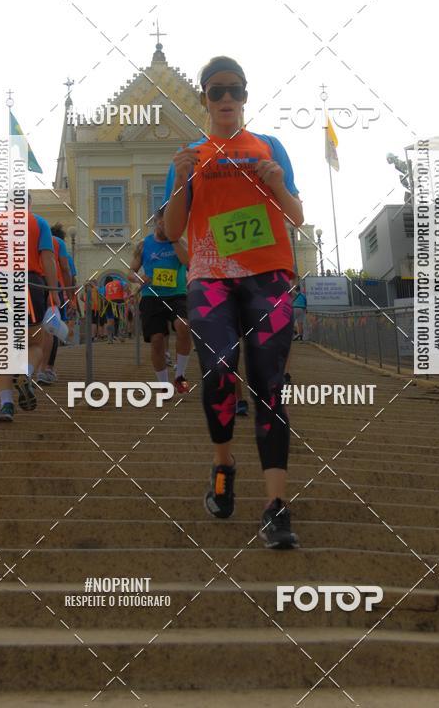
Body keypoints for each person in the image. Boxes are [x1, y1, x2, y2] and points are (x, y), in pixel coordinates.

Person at [164, 55, 303, 549]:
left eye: (236, 91)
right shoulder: (189, 156)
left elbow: (298, 216)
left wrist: (278, 185)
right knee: (220, 369)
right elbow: (172, 229)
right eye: (217, 91)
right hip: (211, 279)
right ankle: (223, 465)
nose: (226, 100)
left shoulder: (270, 147)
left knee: (268, 386)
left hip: (267, 276)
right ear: (204, 97)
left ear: (246, 96)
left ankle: (275, 506)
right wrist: (182, 180)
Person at [0, 196, 59, 423]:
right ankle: (27, 372)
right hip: (30, 283)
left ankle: (6, 404)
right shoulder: (38, 222)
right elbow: (48, 258)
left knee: (3, 347)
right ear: (28, 204)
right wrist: (54, 292)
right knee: (35, 342)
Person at [129, 208, 191, 395]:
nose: (166, 226)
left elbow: (189, 263)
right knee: (156, 340)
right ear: (156, 222)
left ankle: (180, 375)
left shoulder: (180, 242)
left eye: (170, 222)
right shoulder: (143, 244)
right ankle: (163, 385)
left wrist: (175, 240)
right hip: (151, 296)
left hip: (177, 294)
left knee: (183, 326)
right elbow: (130, 272)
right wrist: (140, 278)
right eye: (163, 223)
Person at [36, 226, 72, 384]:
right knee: (50, 326)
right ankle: (45, 369)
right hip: (51, 285)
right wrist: (70, 295)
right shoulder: (57, 242)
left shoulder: (31, 239)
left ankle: (27, 368)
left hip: (31, 282)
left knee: (32, 326)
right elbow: (65, 268)